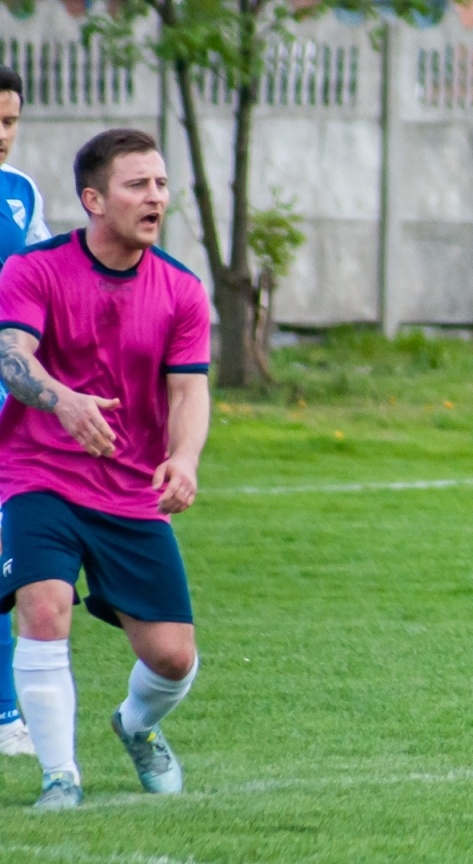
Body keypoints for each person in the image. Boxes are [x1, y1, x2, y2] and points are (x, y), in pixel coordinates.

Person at [0, 128, 211, 809]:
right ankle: (61, 776)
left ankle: (136, 726)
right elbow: (11, 355)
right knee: (43, 605)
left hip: (128, 490)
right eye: (137, 185)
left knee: (173, 657)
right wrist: (60, 402)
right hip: (38, 474)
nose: (155, 197)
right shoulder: (35, 270)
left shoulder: (182, 290)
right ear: (93, 199)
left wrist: (182, 458)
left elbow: (188, 390)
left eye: (161, 184)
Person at [0, 64, 53, 758]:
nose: (2, 135)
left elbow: (44, 287)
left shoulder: (20, 193)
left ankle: (7, 713)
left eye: (9, 121)